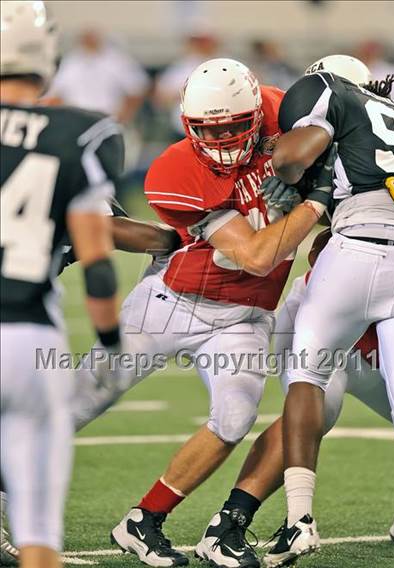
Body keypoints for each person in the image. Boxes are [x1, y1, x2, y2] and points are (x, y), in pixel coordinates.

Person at [67, 57, 336, 566]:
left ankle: (143, 520)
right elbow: (256, 256)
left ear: (258, 114)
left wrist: (308, 168)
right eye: (213, 129)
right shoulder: (175, 168)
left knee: (234, 419)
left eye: (237, 125)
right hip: (173, 304)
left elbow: (334, 137)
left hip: (246, 316)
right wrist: (312, 199)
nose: (227, 138)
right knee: (78, 402)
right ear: (189, 125)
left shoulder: (287, 114)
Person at [259, 53, 394, 567]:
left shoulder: (333, 96)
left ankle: (299, 521)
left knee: (307, 374)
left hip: (358, 249)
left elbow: (291, 158)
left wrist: (298, 176)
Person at [195, 228, 394, 568]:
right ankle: (230, 520)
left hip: (381, 336)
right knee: (316, 413)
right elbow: (321, 242)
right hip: (326, 319)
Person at [0, 2, 123, 567]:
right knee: (39, 536)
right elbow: (97, 263)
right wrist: (111, 341)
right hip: (31, 342)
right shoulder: (80, 130)